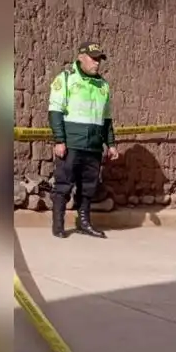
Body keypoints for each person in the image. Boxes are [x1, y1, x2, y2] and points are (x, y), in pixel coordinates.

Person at [48, 42, 119, 239]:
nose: (97, 63)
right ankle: (58, 225)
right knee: (63, 185)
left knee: (88, 187)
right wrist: (59, 140)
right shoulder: (66, 79)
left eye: (99, 59)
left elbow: (106, 119)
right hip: (72, 143)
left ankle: (84, 224)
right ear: (81, 57)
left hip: (93, 146)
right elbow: (55, 111)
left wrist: (111, 144)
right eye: (93, 58)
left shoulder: (103, 85)